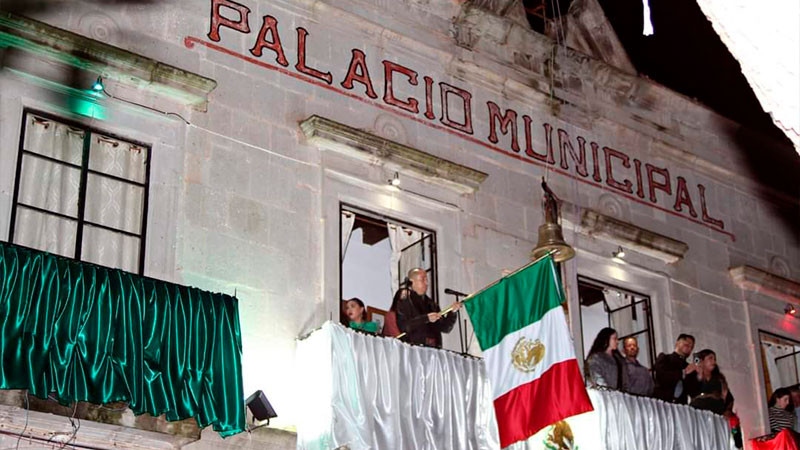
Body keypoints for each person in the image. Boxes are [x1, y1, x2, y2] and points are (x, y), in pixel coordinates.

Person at [393, 268, 461, 347]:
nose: (427, 283)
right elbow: (405, 326)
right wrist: (426, 318)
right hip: (414, 348)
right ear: (412, 281)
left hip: (434, 349)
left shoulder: (431, 304)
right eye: (422, 280)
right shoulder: (404, 299)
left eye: (427, 280)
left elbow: (445, 328)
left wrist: (452, 312)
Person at [653, 334, 700, 403]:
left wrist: (699, 375)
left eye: (691, 347)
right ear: (677, 343)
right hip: (662, 401)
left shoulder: (689, 366)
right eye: (686, 345)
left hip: (680, 404)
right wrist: (683, 372)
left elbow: (693, 391)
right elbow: (662, 376)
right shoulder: (665, 358)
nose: (689, 349)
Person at [689, 349, 727, 414]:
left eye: (715, 359)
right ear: (702, 360)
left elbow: (726, 395)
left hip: (716, 408)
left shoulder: (719, 378)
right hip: (698, 408)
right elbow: (691, 391)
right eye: (710, 358)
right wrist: (699, 375)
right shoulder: (693, 375)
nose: (713, 361)